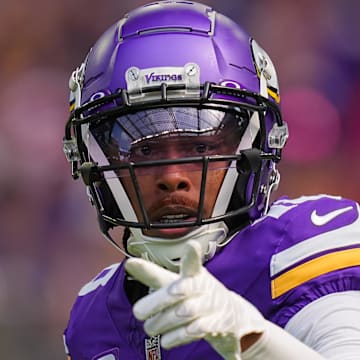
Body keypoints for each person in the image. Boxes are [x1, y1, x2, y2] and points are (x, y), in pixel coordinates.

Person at [62, 1, 360, 359]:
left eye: (200, 146)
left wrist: (256, 342)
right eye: (145, 152)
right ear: (95, 163)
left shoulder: (304, 248)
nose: (172, 178)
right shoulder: (93, 321)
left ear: (255, 147)